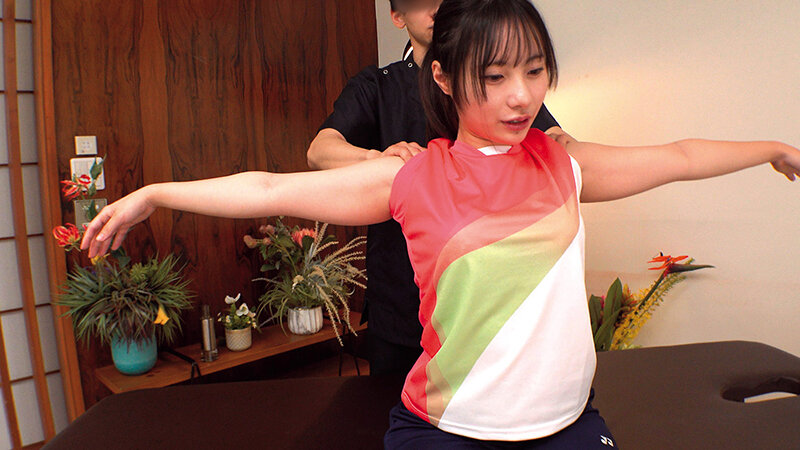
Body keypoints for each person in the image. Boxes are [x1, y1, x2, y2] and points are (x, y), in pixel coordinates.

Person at [81, 0, 799, 446]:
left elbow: (678, 156)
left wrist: (772, 147)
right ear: (446, 78)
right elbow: (271, 185)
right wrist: (156, 194)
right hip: (446, 429)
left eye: (535, 72)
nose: (521, 97)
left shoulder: (565, 163)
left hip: (568, 424)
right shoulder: (410, 175)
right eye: (495, 77)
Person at [307, 0, 568, 376]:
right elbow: (320, 151)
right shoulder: (378, 85)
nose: (434, 8)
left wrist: (567, 146)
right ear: (397, 17)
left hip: (482, 304)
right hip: (399, 300)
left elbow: (553, 138)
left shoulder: (493, 86)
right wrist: (378, 160)